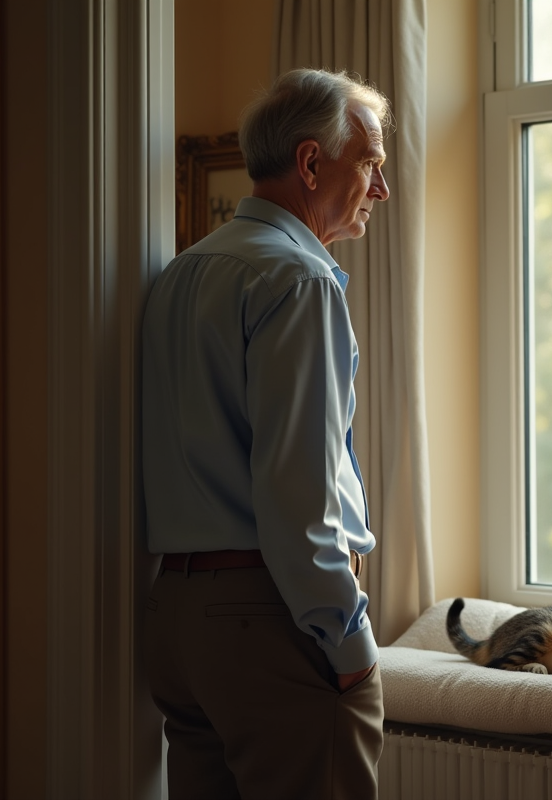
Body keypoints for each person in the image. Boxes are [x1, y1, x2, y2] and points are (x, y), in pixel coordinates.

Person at [140, 67, 392, 799]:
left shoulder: (180, 275)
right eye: (369, 165)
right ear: (311, 163)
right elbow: (298, 491)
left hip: (178, 620)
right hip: (273, 618)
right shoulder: (298, 281)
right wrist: (348, 643)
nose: (380, 190)